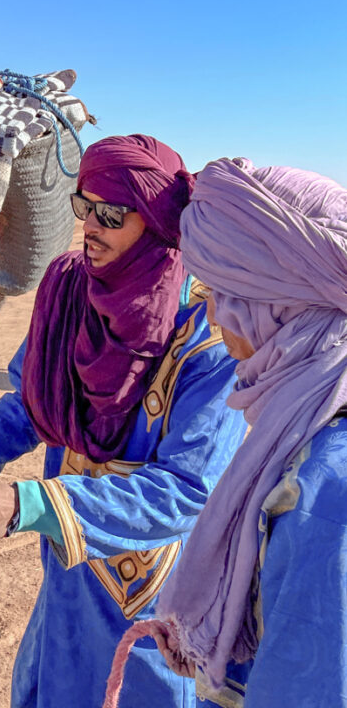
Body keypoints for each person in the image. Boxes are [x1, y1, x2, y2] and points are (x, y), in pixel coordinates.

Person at [0, 134, 248, 708]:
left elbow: (186, 492)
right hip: (68, 583)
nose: (90, 227)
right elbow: (36, 401)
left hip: (151, 608)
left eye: (111, 215)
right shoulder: (70, 292)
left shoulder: (209, 337)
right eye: (83, 207)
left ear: (159, 222)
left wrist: (22, 505)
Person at [141, 159, 347, 707]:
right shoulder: (295, 427)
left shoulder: (325, 496)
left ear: (282, 303)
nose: (209, 314)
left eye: (222, 289)